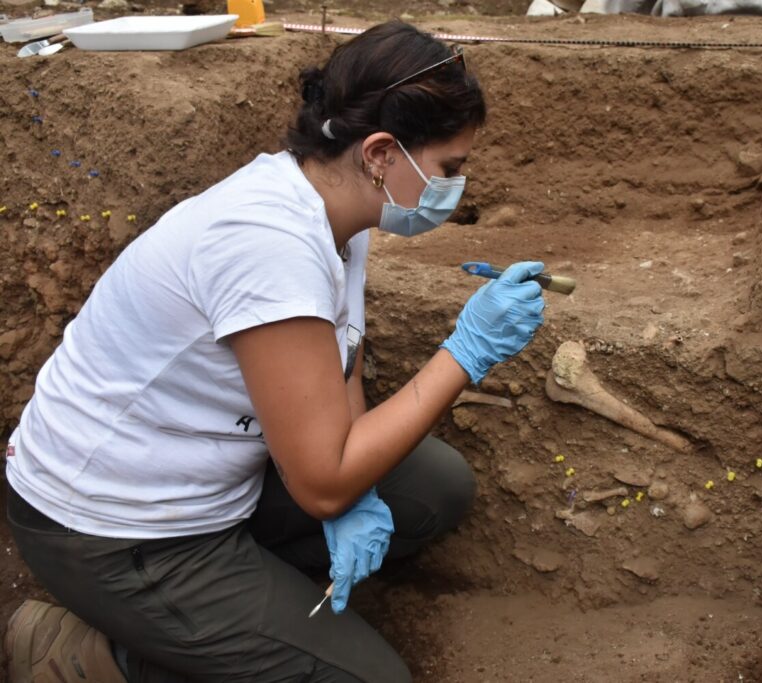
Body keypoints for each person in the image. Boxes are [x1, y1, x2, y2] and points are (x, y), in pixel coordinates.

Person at [3, 20, 546, 683]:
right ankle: (92, 655)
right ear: (381, 153)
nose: (455, 187)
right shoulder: (270, 245)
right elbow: (319, 483)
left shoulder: (336, 210)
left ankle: (235, 626)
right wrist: (466, 351)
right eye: (448, 168)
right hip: (115, 525)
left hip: (205, 475)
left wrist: (348, 493)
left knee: (432, 489)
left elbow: (341, 352)